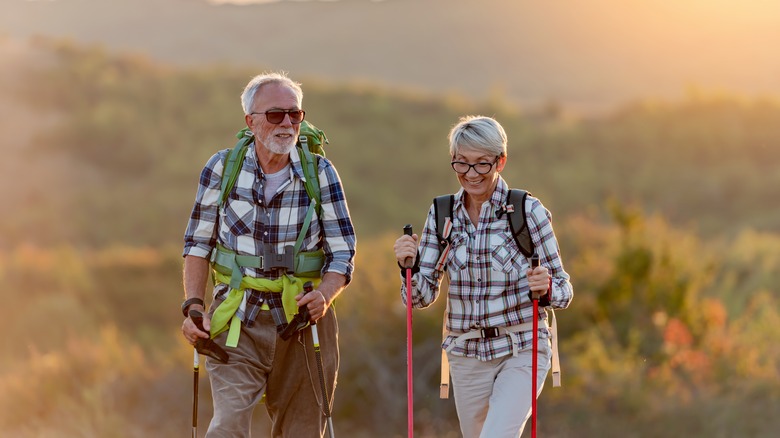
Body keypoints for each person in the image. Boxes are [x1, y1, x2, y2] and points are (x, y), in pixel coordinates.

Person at [180, 72, 356, 438]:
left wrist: (324, 296)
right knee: (226, 427)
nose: (288, 123)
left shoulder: (320, 173)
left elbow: (343, 251)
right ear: (251, 121)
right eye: (276, 115)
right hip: (235, 321)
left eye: (296, 114)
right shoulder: (221, 168)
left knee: (302, 431)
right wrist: (193, 306)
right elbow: (198, 244)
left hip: (303, 323)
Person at [393, 115, 573, 438]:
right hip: (465, 355)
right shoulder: (442, 214)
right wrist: (409, 265)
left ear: (500, 161)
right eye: (461, 164)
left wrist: (544, 289)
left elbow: (564, 290)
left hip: (522, 348)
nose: (471, 175)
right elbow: (419, 298)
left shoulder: (527, 212)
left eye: (481, 165)